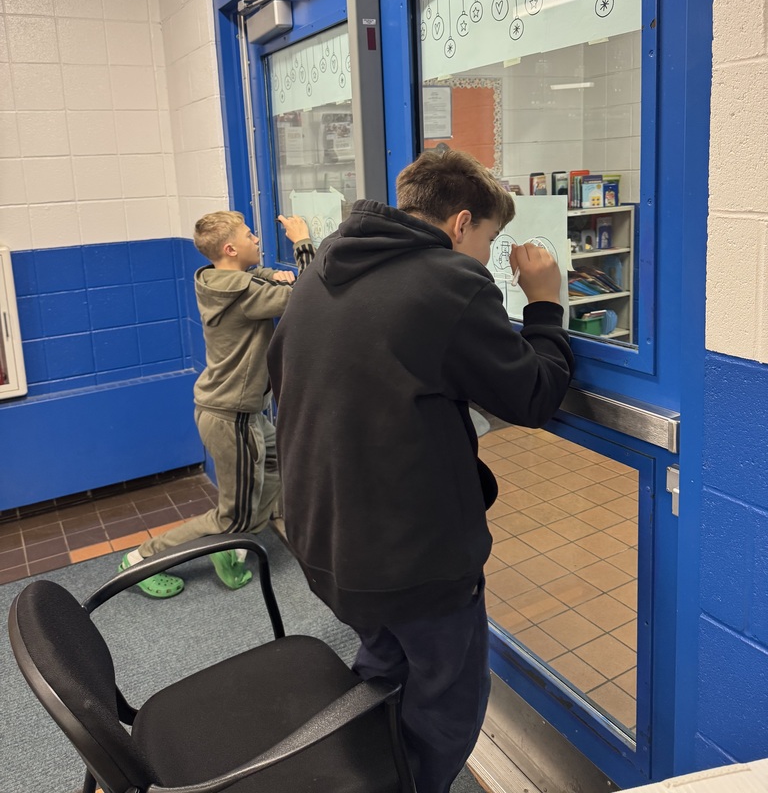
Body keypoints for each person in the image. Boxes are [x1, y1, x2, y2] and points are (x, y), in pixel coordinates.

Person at [267, 148, 574, 793]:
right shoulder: (449, 282)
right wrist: (545, 303)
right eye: (489, 239)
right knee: (449, 709)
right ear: (461, 223)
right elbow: (534, 396)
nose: (488, 256)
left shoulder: (322, 264)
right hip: (413, 565)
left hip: (325, 541)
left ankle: (362, 770)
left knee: (383, 665)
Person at [119, 210, 314, 598]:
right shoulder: (244, 295)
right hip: (232, 418)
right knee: (231, 513)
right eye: (249, 235)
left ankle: (234, 546)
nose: (256, 238)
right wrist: (302, 243)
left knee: (273, 470)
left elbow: (246, 282)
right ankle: (140, 560)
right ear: (230, 248)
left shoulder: (217, 279)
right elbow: (312, 299)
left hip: (240, 413)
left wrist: (268, 275)